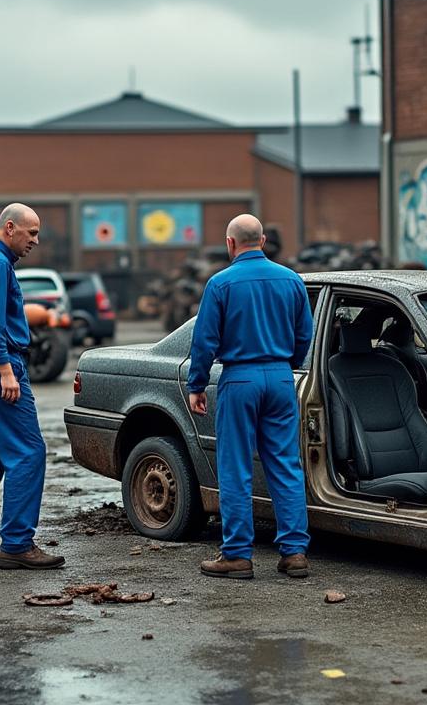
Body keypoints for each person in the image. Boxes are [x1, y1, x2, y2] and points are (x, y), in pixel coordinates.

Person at [187, 214, 313, 579]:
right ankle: (294, 553)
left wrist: (197, 385)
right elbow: (305, 334)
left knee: (235, 468)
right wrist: (285, 365)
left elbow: (205, 340)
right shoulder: (291, 281)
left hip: (239, 380)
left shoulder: (221, 283)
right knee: (285, 465)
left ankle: (238, 555)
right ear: (262, 241)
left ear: (230, 244)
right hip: (279, 377)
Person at [0, 203, 66, 570]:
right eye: (31, 233)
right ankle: (18, 544)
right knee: (28, 452)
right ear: (10, 227)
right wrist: (5, 370)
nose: (35, 240)